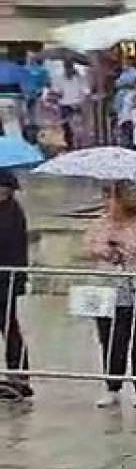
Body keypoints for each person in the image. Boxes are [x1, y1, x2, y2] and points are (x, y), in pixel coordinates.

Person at [81, 180, 136, 408]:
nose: (107, 203)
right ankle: (112, 385)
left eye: (111, 197)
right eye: (105, 197)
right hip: (108, 288)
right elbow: (87, 246)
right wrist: (104, 250)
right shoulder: (101, 222)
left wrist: (127, 246)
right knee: (109, 339)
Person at [0, 170, 32, 400]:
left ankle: (19, 375)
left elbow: (11, 243)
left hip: (6, 280)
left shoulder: (13, 212)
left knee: (9, 326)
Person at [53, 61, 90, 149]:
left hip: (76, 104)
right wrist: (57, 95)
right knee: (66, 127)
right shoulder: (60, 78)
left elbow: (86, 90)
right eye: (66, 67)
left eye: (69, 67)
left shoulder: (79, 78)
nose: (68, 69)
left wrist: (83, 100)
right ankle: (70, 145)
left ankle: (79, 144)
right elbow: (57, 91)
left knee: (77, 126)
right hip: (64, 104)